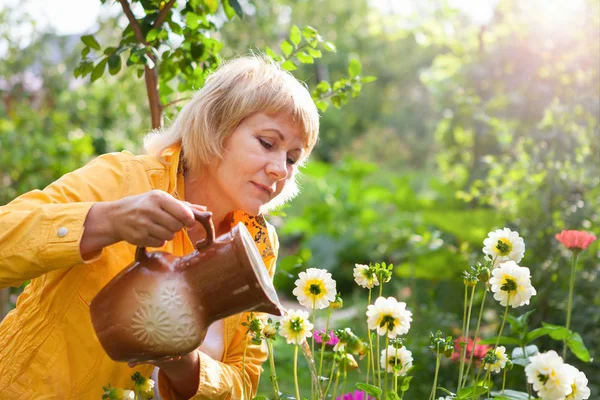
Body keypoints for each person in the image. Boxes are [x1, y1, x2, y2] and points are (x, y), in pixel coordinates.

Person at [0, 55, 320, 399]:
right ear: (216, 126)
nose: (280, 170)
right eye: (268, 143)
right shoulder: (124, 180)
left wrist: (184, 362)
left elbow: (242, 382)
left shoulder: (258, 243)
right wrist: (108, 221)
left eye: (292, 158)